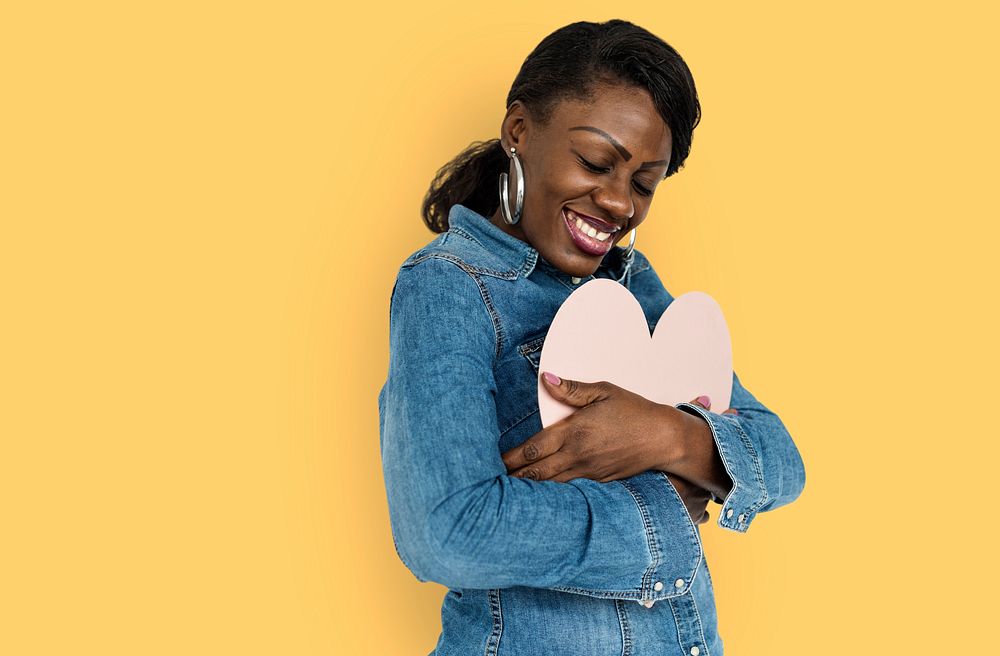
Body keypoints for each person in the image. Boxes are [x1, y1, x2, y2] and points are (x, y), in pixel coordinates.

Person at [377, 19, 806, 656]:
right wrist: (665, 514)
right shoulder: (448, 287)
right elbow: (445, 531)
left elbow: (781, 461)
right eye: (596, 162)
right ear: (519, 132)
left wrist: (664, 433)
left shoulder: (636, 287)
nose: (617, 203)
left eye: (643, 183)